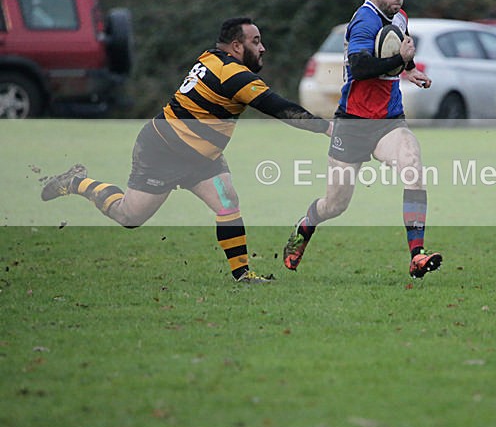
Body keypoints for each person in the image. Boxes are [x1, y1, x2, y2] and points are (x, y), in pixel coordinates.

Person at [40, 17, 331, 284]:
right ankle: (76, 182)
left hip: (202, 159)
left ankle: (243, 274)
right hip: (162, 151)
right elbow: (281, 109)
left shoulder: (212, 57)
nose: (263, 48)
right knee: (130, 217)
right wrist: (328, 128)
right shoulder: (233, 75)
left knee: (227, 201)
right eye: (256, 42)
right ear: (236, 45)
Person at [282, 0, 442, 279]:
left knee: (412, 165)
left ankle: (417, 255)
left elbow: (399, 50)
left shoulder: (399, 17)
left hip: (388, 120)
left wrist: (410, 71)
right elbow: (360, 67)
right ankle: (306, 225)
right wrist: (400, 59)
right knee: (335, 205)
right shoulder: (364, 22)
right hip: (353, 123)